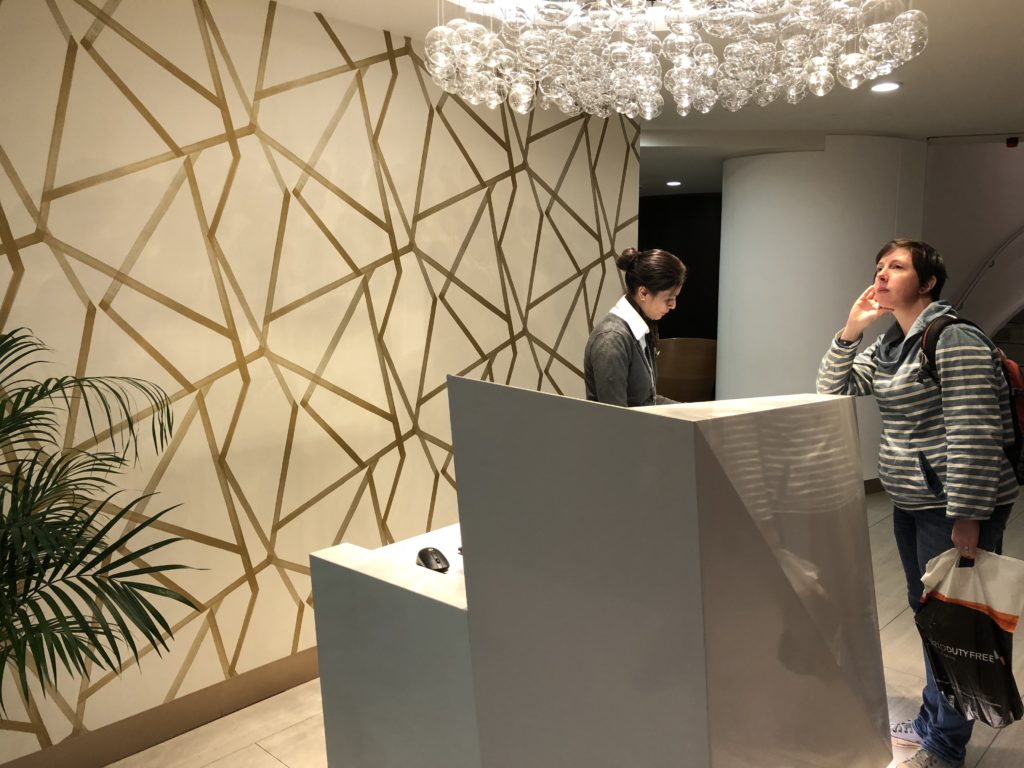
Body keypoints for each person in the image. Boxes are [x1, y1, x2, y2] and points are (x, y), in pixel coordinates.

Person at [816, 239, 1019, 768]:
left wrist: (968, 519)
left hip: (953, 507)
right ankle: (935, 721)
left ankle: (945, 748)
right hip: (911, 502)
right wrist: (850, 331)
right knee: (933, 619)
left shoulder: (954, 339)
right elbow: (830, 387)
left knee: (956, 626)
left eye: (896, 268)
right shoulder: (891, 344)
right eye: (878, 267)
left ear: (927, 283)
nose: (881, 276)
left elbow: (976, 432)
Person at [584, 247, 686, 407]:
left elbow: (646, 400)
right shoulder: (612, 338)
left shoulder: (640, 329)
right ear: (643, 293)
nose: (673, 305)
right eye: (669, 299)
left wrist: (691, 411)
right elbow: (615, 418)